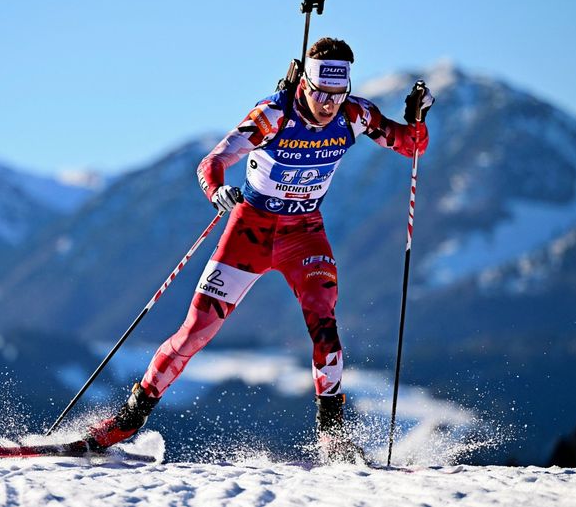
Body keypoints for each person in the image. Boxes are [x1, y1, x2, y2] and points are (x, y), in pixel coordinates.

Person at [81, 37, 434, 462]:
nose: (327, 105)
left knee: (325, 322)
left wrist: (417, 119)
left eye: (336, 95)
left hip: (304, 233)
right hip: (250, 228)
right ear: (304, 83)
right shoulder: (272, 114)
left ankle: (333, 439)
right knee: (196, 331)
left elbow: (410, 146)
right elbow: (211, 161)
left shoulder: (355, 114)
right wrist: (217, 192)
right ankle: (126, 421)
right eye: (320, 93)